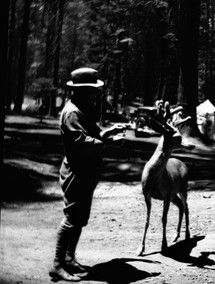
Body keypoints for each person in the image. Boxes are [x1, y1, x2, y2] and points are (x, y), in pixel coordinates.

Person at [49, 67, 126, 281]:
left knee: (80, 217)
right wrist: (105, 141)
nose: (95, 94)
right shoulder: (72, 112)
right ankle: (57, 264)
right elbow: (78, 142)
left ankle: (69, 258)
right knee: (72, 217)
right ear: (81, 90)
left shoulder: (83, 108)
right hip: (76, 171)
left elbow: (92, 133)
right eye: (92, 90)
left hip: (86, 171)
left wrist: (106, 132)